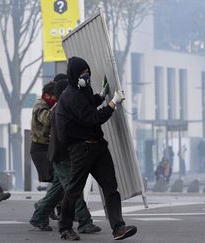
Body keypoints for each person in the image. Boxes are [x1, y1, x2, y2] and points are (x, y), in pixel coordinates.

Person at [55, 56, 137, 241]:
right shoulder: (71, 96)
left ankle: (118, 228)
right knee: (74, 190)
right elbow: (92, 118)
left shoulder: (82, 90)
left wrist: (100, 96)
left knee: (111, 187)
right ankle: (65, 228)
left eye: (88, 72)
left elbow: (88, 104)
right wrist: (112, 103)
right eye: (83, 73)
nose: (87, 76)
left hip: (98, 147)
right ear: (74, 74)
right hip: (81, 150)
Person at [30, 78, 101, 234]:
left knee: (59, 190)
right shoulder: (55, 109)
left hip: (62, 154)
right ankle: (84, 221)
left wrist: (99, 98)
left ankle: (39, 216)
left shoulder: (62, 107)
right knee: (72, 188)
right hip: (59, 154)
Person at [30, 81, 55, 184]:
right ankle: (48, 201)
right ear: (47, 96)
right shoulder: (39, 105)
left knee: (59, 179)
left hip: (49, 147)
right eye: (54, 97)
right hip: (40, 149)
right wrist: (58, 106)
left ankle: (53, 200)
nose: (56, 99)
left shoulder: (49, 105)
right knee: (57, 178)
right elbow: (47, 119)